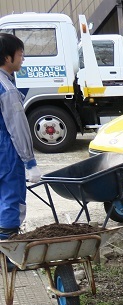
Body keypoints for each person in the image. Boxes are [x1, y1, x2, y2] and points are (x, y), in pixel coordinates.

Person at [0, 34, 41, 261]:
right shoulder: (7, 89)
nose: (23, 58)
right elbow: (18, 128)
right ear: (7, 57)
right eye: (20, 54)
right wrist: (30, 162)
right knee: (11, 200)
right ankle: (8, 257)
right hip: (5, 151)